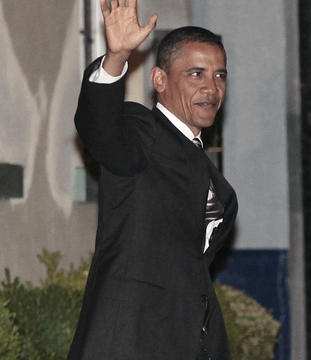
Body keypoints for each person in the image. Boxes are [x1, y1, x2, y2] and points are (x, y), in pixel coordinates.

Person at [67, 1, 237, 359]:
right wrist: (117, 57)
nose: (211, 88)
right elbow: (99, 125)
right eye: (196, 74)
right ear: (159, 79)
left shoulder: (210, 175)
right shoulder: (141, 133)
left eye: (219, 75)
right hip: (129, 341)